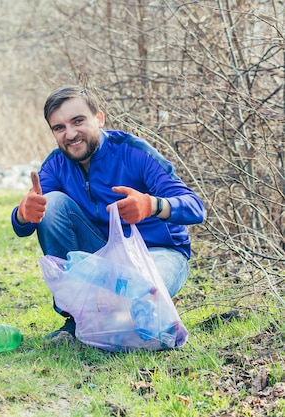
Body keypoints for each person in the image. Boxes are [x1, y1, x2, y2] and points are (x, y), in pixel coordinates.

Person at [11, 85, 205, 342]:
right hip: (101, 256)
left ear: (99, 118)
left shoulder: (134, 152)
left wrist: (152, 205)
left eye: (78, 121)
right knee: (52, 202)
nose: (70, 134)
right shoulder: (56, 164)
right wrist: (24, 213)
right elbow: (23, 224)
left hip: (156, 254)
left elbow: (195, 207)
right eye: (59, 128)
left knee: (137, 300)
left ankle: (135, 312)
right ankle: (77, 319)